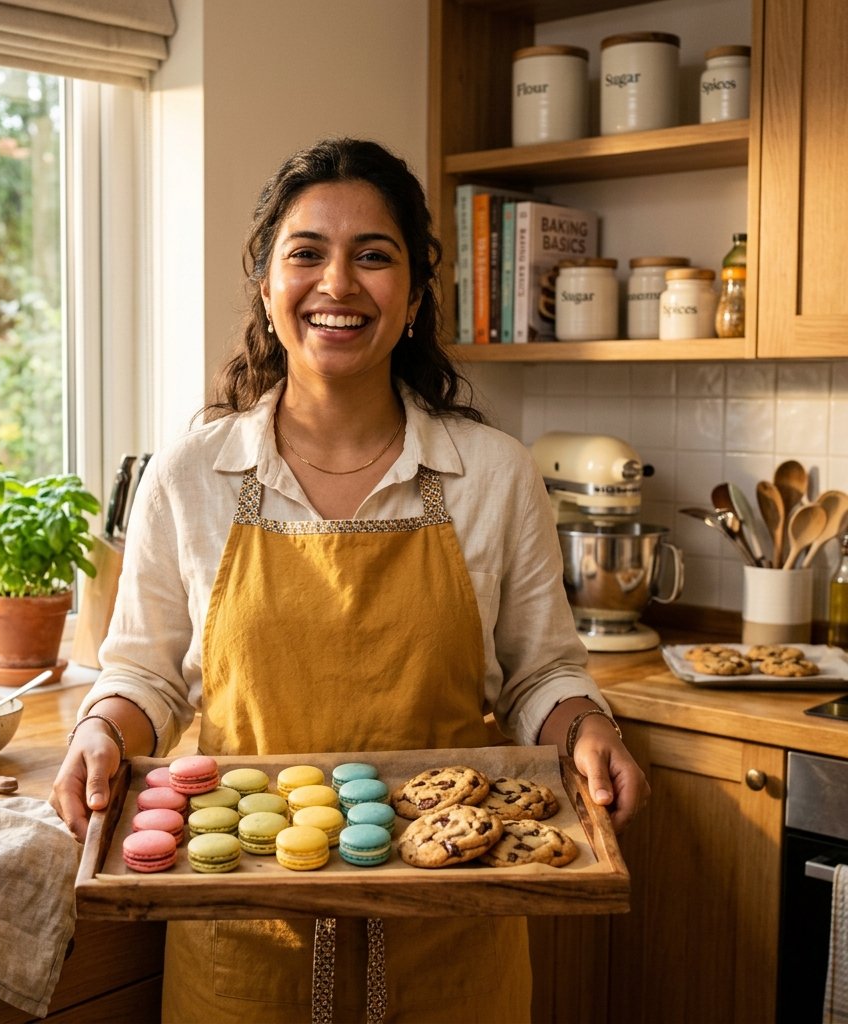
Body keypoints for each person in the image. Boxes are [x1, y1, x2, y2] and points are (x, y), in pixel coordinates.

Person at [51, 136, 650, 1023]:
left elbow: (539, 672)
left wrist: (586, 727)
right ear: (266, 287)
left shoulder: (491, 473)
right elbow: (143, 673)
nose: (338, 283)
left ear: (412, 297)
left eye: (374, 255)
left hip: (454, 932)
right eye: (307, 254)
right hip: (247, 937)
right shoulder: (190, 475)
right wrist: (102, 731)